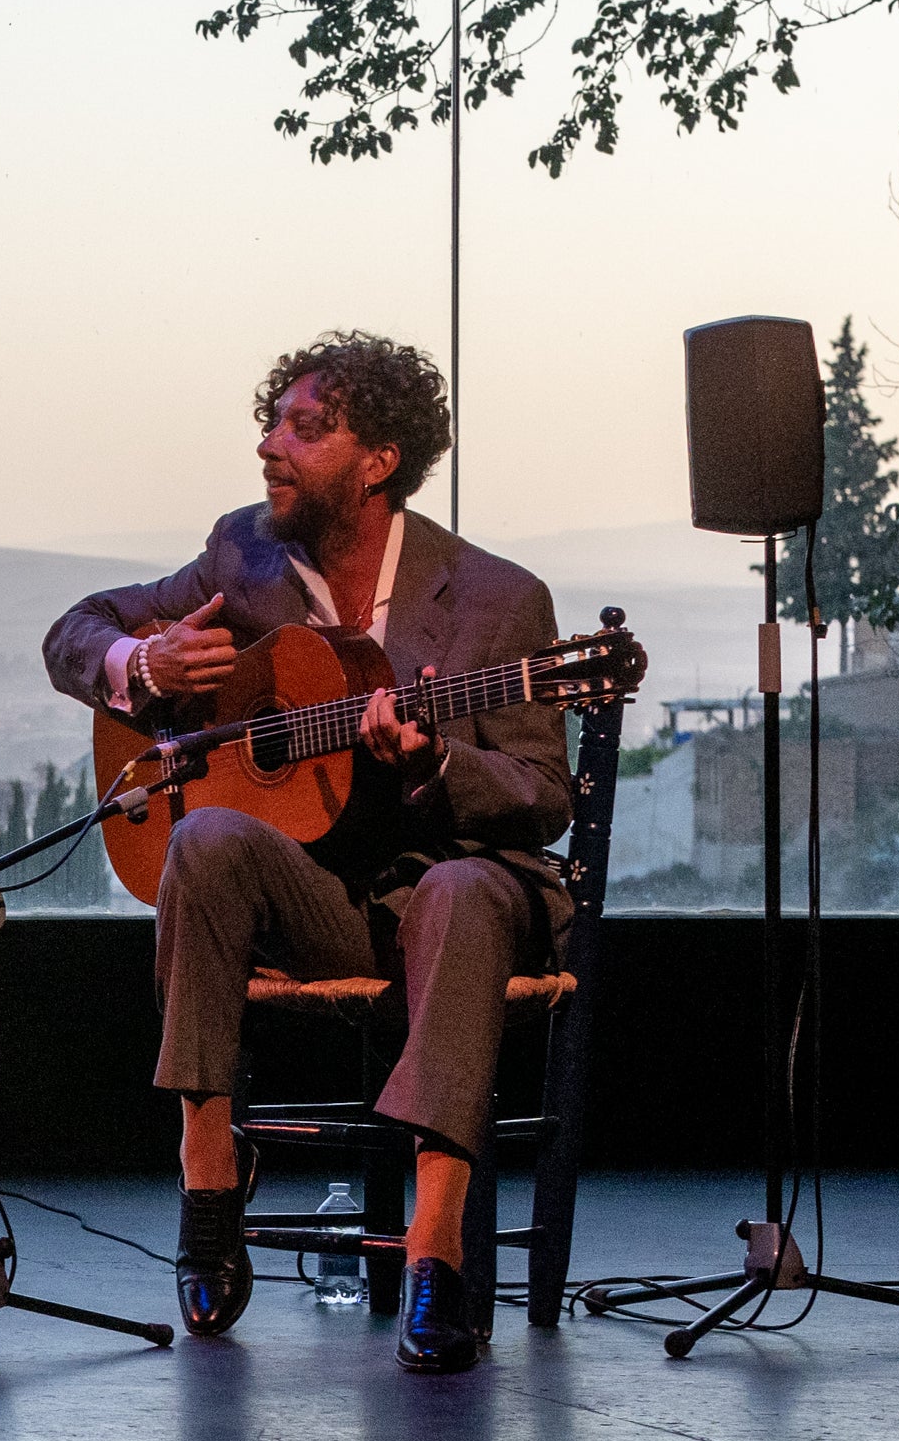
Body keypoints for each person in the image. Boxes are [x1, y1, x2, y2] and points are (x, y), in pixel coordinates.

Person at [41, 332, 572, 1373]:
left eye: (304, 429)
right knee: (202, 834)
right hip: (325, 900)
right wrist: (143, 661)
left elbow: (543, 795)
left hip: (453, 902)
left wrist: (434, 765)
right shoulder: (242, 557)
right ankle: (207, 1176)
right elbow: (77, 629)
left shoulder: (500, 599)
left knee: (460, 890)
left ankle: (435, 1251)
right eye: (272, 424)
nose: (269, 447)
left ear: (379, 461)